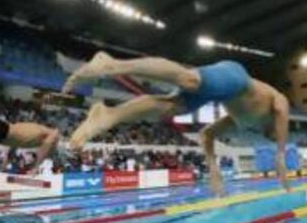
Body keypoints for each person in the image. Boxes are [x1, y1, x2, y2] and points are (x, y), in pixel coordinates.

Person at [62, 52, 290, 195]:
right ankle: (113, 65)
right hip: (236, 78)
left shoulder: (242, 122)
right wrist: (280, 156)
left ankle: (110, 115)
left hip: (219, 92)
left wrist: (214, 170)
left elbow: (207, 134)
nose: (274, 137)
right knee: (189, 80)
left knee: (170, 108)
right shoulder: (278, 105)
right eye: (278, 136)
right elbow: (281, 109)